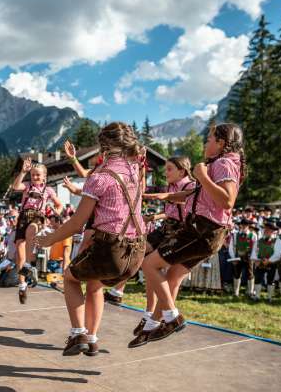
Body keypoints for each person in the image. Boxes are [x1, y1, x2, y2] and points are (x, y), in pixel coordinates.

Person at [130, 123, 245, 348]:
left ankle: (172, 317)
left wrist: (202, 175)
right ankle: (153, 324)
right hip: (208, 232)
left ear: (221, 143)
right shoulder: (220, 164)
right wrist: (161, 197)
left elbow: (227, 201)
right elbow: (195, 194)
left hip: (203, 229)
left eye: (210, 139)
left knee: (149, 265)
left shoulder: (223, 163)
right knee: (171, 277)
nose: (205, 143)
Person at [37, 122, 145, 357]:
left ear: (103, 146)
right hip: (136, 251)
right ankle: (92, 338)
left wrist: (49, 240)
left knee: (70, 277)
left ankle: (78, 333)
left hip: (111, 248)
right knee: (94, 285)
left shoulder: (100, 177)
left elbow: (77, 223)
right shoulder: (134, 171)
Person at [125, 156, 193, 332]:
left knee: (171, 276)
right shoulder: (171, 186)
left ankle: (157, 316)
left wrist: (159, 196)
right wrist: (154, 216)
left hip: (180, 231)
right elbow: (170, 211)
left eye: (169, 169)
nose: (165, 172)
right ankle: (145, 311)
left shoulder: (191, 187)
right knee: (139, 250)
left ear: (182, 171)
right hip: (166, 227)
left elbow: (184, 204)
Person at [11, 157, 62, 304]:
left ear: (44, 176)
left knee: (31, 231)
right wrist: (22, 172)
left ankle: (28, 266)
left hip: (38, 217)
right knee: (20, 252)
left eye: (38, 175)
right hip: (23, 217)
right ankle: (22, 285)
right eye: (33, 174)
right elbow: (15, 186)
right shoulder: (27, 185)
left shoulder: (49, 190)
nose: (35, 177)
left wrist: (53, 215)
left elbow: (59, 205)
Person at [251, 222, 281, 302]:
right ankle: (257, 296)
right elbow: (254, 252)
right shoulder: (258, 241)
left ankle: (269, 297)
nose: (266, 231)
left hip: (271, 263)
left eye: (268, 230)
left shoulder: (278, 241)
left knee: (270, 280)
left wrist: (268, 261)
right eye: (265, 229)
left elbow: (278, 254)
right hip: (259, 263)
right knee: (258, 279)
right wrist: (256, 261)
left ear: (273, 231)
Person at [228, 219, 257, 297]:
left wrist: (253, 258)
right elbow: (231, 247)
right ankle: (236, 292)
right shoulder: (235, 234)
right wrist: (233, 258)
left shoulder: (253, 235)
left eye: (246, 225)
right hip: (238, 258)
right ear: (240, 225)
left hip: (249, 258)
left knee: (250, 274)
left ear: (248, 226)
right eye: (242, 225)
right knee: (236, 274)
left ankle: (250, 292)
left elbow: (255, 247)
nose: (244, 226)